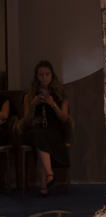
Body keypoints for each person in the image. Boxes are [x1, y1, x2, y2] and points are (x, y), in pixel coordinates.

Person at [23, 61, 70, 196]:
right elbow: (26, 121)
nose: (44, 77)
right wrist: (33, 104)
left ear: (52, 75)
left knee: (40, 140)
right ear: (37, 76)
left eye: (47, 74)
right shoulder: (29, 95)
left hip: (53, 130)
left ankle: (44, 185)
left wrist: (53, 104)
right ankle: (50, 174)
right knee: (38, 135)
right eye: (41, 75)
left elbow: (64, 119)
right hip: (34, 129)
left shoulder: (60, 94)